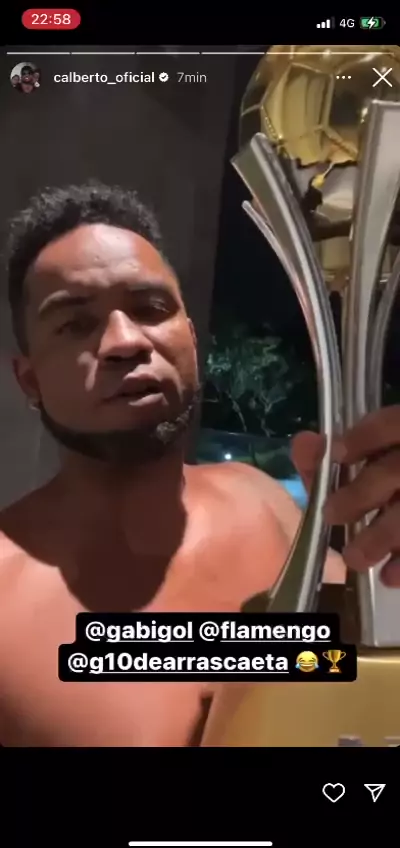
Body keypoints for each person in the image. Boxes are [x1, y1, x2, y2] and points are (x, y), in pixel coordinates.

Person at [0, 181, 399, 747]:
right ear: (30, 380)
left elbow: (368, 660)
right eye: (74, 324)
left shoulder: (260, 500)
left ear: (190, 338)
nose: (125, 341)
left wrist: (384, 555)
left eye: (151, 309)